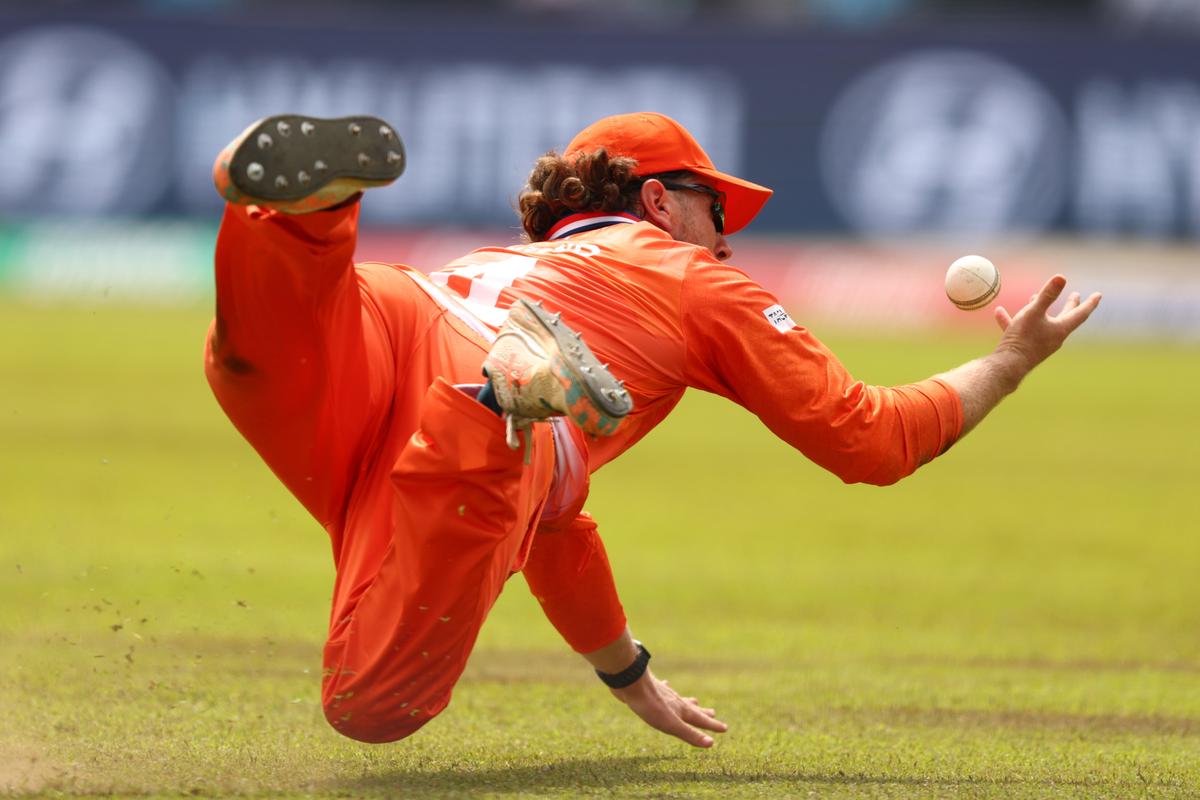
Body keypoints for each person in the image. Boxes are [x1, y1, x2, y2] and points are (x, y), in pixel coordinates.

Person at [205, 111, 1101, 749]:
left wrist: (626, 672)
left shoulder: (509, 255)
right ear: (660, 201)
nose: (727, 241)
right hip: (485, 418)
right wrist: (1009, 362)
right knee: (371, 705)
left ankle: (302, 220)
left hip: (406, 307)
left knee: (259, 356)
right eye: (717, 211)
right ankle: (502, 409)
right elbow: (870, 440)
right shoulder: (687, 276)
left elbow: (553, 529)